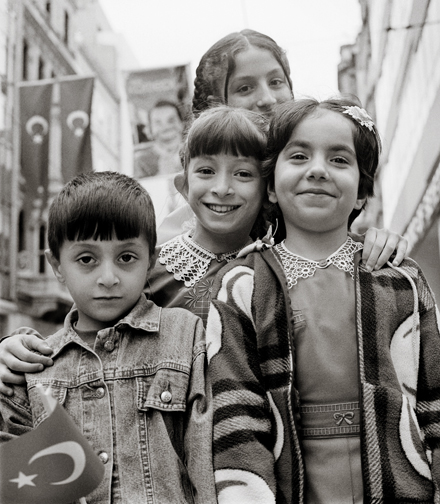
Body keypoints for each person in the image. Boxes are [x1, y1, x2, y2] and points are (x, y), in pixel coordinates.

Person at [0, 30, 407, 393]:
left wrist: (372, 241)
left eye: (276, 81)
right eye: (245, 87)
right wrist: (22, 344)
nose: (266, 97)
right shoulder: (168, 252)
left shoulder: (307, 208)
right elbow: (102, 310)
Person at [206, 97, 440, 503]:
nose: (317, 169)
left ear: (363, 192)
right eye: (298, 156)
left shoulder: (401, 280)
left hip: (399, 483)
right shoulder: (242, 286)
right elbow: (237, 414)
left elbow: (434, 404)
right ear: (272, 186)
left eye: (339, 160)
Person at [0, 171, 216, 503]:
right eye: (86, 259)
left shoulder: (183, 335)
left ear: (151, 260)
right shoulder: (33, 367)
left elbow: (207, 455)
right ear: (57, 265)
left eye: (126, 257)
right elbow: (13, 482)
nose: (109, 278)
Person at [134, 100, 185, 179]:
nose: (166, 128)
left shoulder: (198, 153)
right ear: (150, 131)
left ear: (182, 124)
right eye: (158, 123)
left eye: (171, 120)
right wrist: (162, 175)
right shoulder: (140, 162)